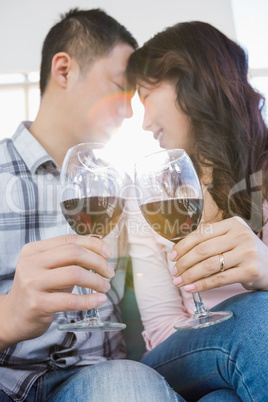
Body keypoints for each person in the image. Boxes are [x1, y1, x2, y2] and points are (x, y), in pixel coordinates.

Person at [0, 8, 185, 402]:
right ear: (64, 70)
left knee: (127, 387)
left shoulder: (124, 188)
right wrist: (8, 317)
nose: (131, 111)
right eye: (120, 87)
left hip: (97, 381)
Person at [126, 21, 268, 401]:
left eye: (145, 96)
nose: (144, 123)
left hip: (243, 373)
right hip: (182, 357)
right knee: (259, 320)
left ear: (190, 81)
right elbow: (161, 329)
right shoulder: (152, 201)